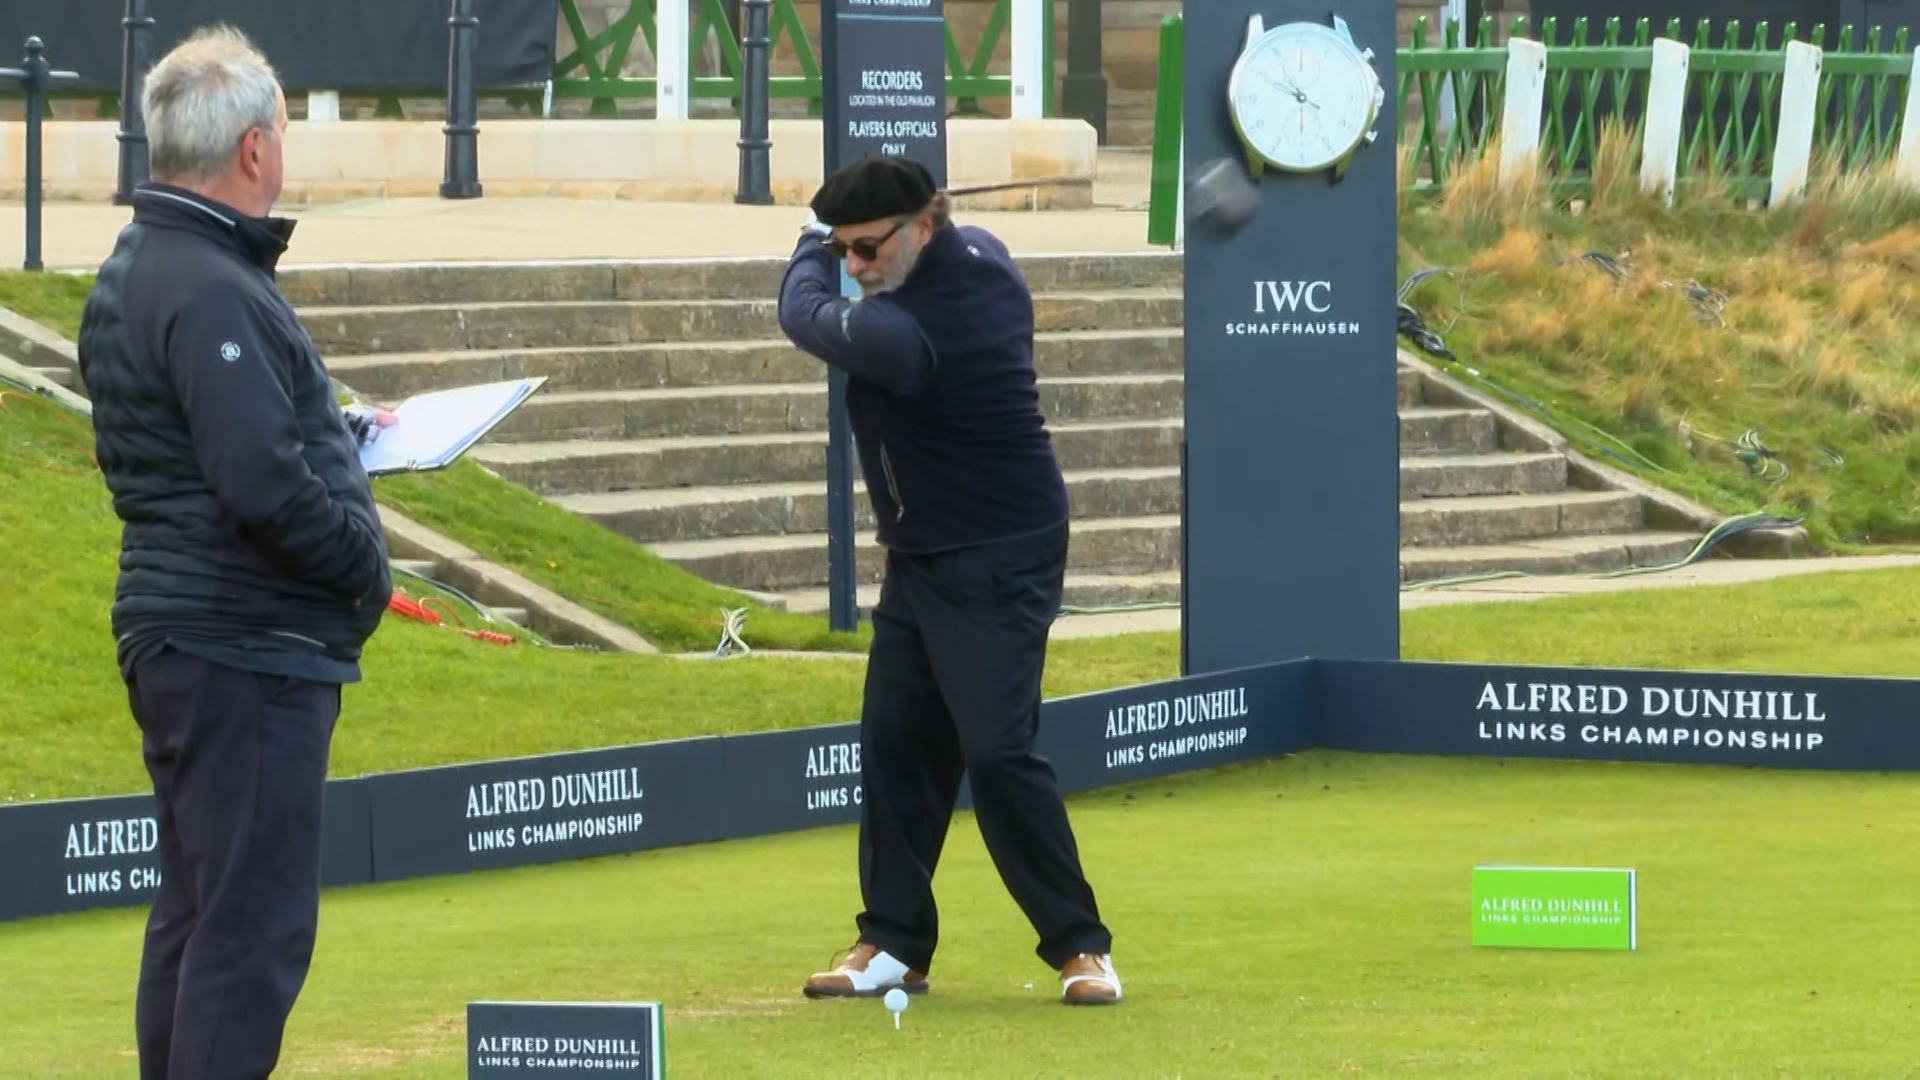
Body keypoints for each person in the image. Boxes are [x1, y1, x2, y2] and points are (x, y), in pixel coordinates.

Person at [75, 26, 393, 1077]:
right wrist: (363, 565)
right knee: (247, 933)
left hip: (194, 630)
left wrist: (335, 436)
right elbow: (257, 481)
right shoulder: (206, 280)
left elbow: (217, 441)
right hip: (242, 639)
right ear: (256, 149)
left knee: (200, 915)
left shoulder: (148, 264)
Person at [777, 157, 1123, 1006]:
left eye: (865, 248)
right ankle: (894, 942)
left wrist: (808, 248)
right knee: (897, 742)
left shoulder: (906, 333)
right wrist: (849, 242)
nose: (855, 267)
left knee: (998, 753)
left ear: (922, 227)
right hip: (925, 553)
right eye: (845, 251)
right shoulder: (986, 254)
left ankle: (1082, 947)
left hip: (999, 551)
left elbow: (801, 314)